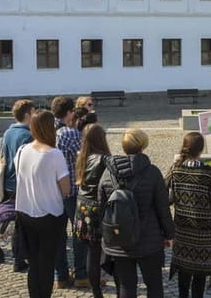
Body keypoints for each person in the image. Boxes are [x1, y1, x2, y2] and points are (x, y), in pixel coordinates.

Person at [99, 129, 174, 298]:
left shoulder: (107, 173)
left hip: (119, 239)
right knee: (154, 285)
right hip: (149, 239)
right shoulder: (153, 172)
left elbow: (102, 206)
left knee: (126, 286)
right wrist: (169, 234)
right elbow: (163, 207)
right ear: (142, 147)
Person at [15, 110, 71, 298]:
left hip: (25, 211)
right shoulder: (54, 154)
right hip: (50, 214)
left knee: (34, 264)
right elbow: (66, 188)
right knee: (46, 263)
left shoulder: (22, 150)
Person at [166, 132, 211, 298]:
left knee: (183, 271)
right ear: (201, 150)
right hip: (204, 233)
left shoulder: (175, 169)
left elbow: (164, 195)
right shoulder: (208, 173)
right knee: (200, 272)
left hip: (182, 230)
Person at [51, 96, 88, 289]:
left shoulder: (49, 129)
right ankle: (81, 274)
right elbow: (86, 156)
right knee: (79, 233)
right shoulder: (69, 133)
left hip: (53, 190)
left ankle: (61, 276)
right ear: (70, 112)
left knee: (58, 235)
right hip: (72, 190)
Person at [74, 123, 112, 298]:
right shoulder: (104, 159)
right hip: (98, 209)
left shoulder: (83, 156)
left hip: (83, 207)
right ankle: (101, 289)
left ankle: (96, 291)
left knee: (92, 251)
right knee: (100, 252)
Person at [1, 99, 35, 272]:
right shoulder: (27, 135)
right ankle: (19, 259)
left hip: (8, 182)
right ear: (28, 115)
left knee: (17, 222)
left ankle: (20, 255)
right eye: (33, 112)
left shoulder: (8, 132)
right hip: (20, 183)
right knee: (21, 224)